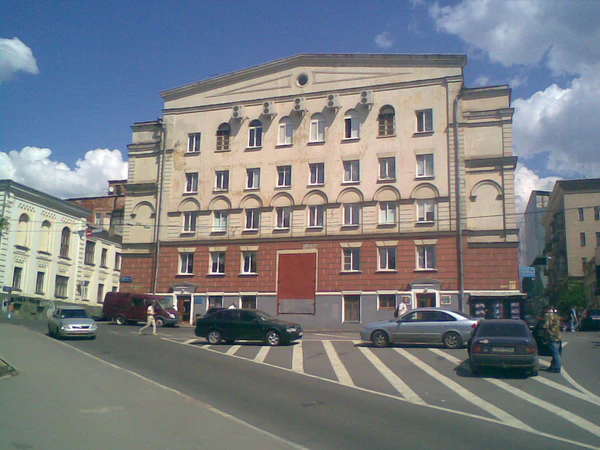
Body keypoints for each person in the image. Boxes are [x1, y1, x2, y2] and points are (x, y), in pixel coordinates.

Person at [542, 305, 562, 373]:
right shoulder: (556, 315)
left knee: (555, 353)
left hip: (551, 335)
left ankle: (557, 367)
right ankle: (553, 366)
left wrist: (544, 336)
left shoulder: (547, 315)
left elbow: (546, 326)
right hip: (558, 335)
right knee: (557, 353)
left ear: (546, 309)